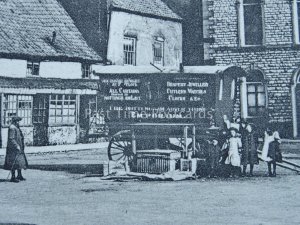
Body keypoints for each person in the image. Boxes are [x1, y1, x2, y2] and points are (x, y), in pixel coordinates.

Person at [4, 116, 28, 182]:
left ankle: (19, 175)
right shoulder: (12, 128)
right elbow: (11, 139)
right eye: (18, 121)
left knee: (19, 162)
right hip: (13, 149)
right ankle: (13, 177)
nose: (19, 123)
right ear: (15, 121)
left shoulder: (16, 127)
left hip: (19, 148)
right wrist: (16, 145)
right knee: (13, 162)